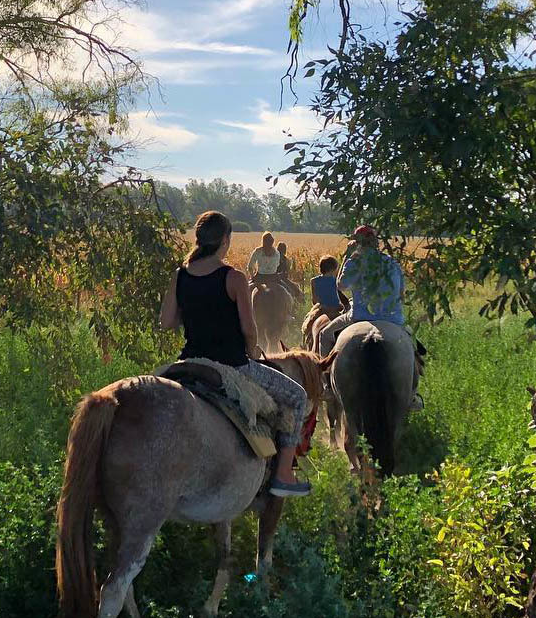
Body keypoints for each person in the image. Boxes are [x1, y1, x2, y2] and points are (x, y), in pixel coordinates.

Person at [160, 211, 311, 496]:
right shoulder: (234, 278)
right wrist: (252, 350)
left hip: (189, 360)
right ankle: (283, 475)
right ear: (225, 240)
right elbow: (250, 329)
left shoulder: (180, 275)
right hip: (231, 365)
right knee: (297, 396)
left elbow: (166, 322)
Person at [318, 225, 423, 407]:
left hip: (360, 316)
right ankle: (412, 395)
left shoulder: (355, 262)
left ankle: (326, 386)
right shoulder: (392, 263)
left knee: (324, 335)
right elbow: (401, 294)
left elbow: (341, 285)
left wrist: (347, 256)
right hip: (393, 319)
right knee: (412, 344)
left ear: (357, 243)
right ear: (376, 243)